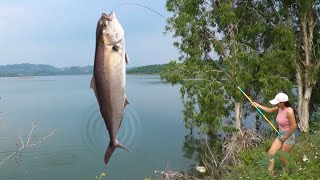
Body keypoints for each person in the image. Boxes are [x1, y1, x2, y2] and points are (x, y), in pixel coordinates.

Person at [251, 92, 298, 174]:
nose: (276, 104)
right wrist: (257, 105)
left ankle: (289, 171)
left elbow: (294, 126)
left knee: (282, 158)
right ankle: (270, 174)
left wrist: (286, 136)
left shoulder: (289, 111)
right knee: (271, 153)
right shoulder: (279, 108)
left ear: (282, 103)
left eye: (277, 102)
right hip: (280, 134)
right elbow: (269, 110)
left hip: (289, 137)